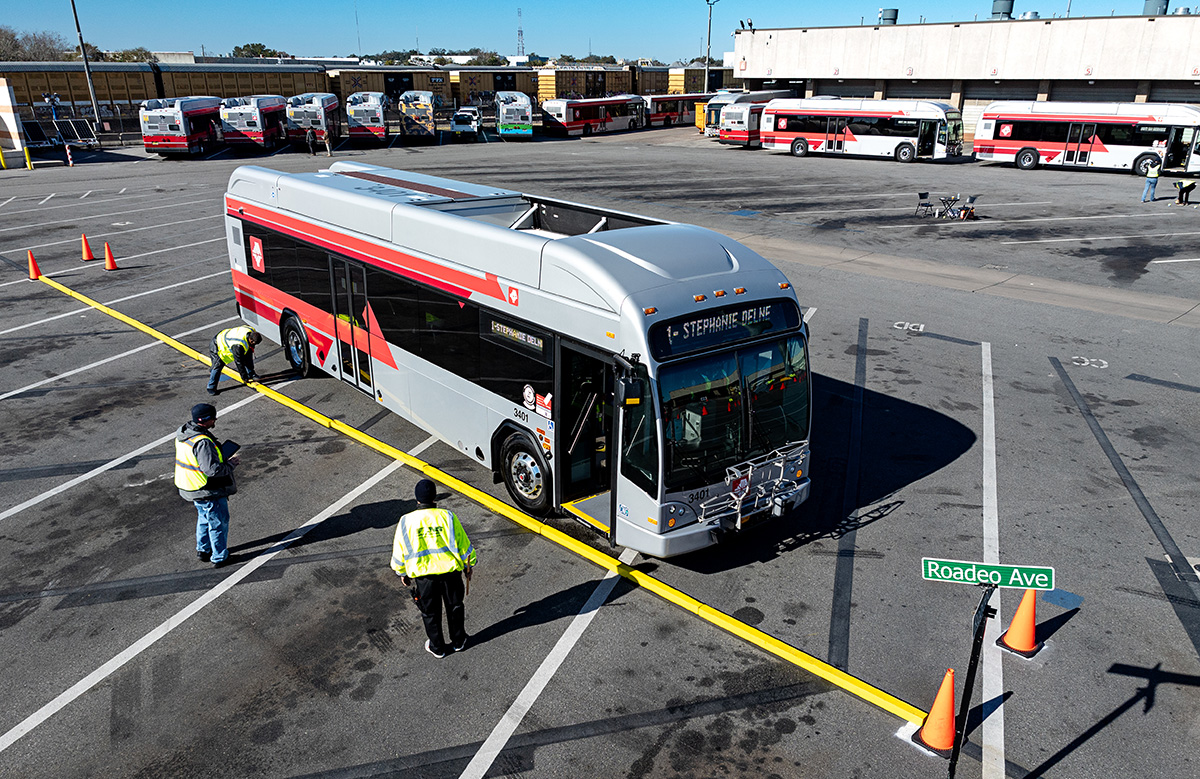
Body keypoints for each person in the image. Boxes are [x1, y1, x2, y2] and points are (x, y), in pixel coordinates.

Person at [391, 479, 477, 658]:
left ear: (417, 499)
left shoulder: (405, 521)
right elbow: (464, 546)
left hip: (425, 579)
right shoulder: (448, 517)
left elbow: (400, 551)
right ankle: (458, 641)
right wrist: (469, 566)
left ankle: (437, 647)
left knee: (430, 613)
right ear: (434, 497)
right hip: (450, 575)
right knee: (455, 607)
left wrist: (402, 572)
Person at [175, 403, 239, 568]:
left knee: (204, 518)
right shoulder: (202, 441)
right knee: (218, 522)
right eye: (213, 417)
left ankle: (203, 550)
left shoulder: (184, 434)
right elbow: (212, 470)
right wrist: (231, 464)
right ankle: (219, 557)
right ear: (205, 420)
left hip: (191, 486)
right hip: (207, 489)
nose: (215, 419)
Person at [207, 326, 262, 395]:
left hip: (228, 337)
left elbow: (248, 357)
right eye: (254, 344)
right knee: (217, 366)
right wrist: (244, 377)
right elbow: (239, 362)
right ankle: (211, 387)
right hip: (218, 345)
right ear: (251, 340)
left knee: (248, 356)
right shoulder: (238, 345)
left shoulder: (251, 330)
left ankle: (251, 374)